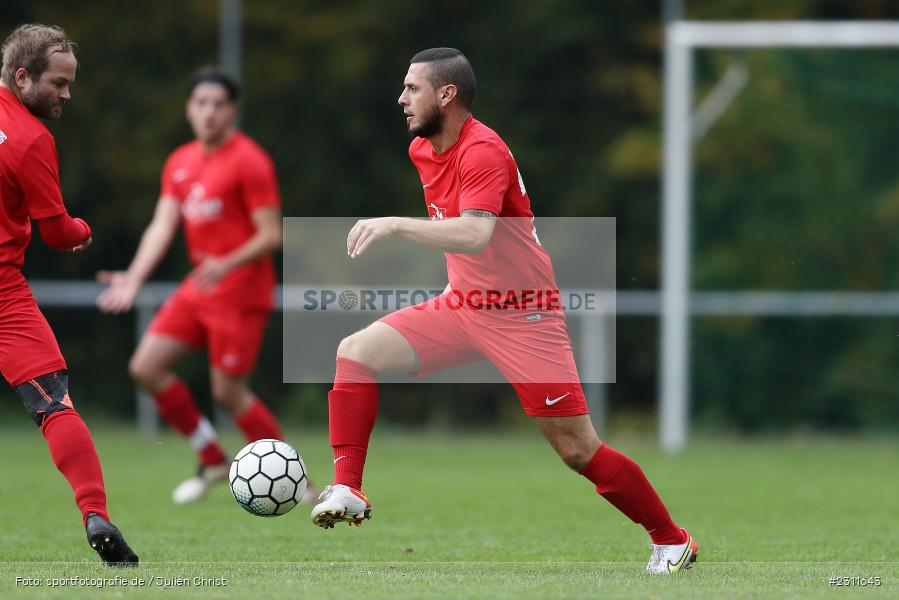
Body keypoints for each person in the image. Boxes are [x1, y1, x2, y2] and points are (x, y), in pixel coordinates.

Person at [310, 48, 698, 575]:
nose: (401, 99)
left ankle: (672, 541)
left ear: (447, 94)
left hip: (523, 316)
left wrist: (395, 224)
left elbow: (475, 234)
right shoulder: (423, 149)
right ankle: (348, 487)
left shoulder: (483, 151)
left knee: (578, 450)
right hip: (463, 306)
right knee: (356, 352)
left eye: (412, 88)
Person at [96, 67, 313, 504]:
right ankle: (213, 458)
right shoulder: (180, 161)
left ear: (232, 111)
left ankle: (300, 484)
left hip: (241, 292)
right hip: (200, 288)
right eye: (201, 103)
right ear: (189, 109)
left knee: (227, 393)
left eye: (218, 104)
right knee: (145, 368)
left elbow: (272, 234)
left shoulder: (250, 161)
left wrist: (226, 263)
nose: (209, 112)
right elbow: (162, 225)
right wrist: (134, 277)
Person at [0, 24, 138, 566]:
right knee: (54, 404)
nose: (66, 94)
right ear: (22, 77)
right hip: (4, 294)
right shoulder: (32, 140)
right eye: (58, 83)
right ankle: (94, 513)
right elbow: (58, 233)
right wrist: (83, 229)